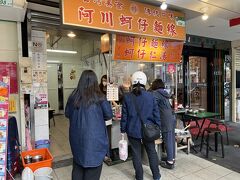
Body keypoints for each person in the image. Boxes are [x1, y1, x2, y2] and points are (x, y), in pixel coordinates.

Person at [65, 70, 113, 180]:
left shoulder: (73, 97)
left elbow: (67, 114)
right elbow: (108, 115)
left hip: (77, 140)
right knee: (92, 171)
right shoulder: (100, 97)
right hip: (95, 142)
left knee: (77, 167)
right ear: (95, 82)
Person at [121, 71, 161, 180]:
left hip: (133, 130)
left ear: (132, 82)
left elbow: (124, 116)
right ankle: (156, 175)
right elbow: (156, 114)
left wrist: (122, 129)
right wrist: (158, 127)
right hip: (149, 130)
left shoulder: (127, 97)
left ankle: (139, 177)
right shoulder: (151, 96)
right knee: (152, 152)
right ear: (144, 82)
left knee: (136, 154)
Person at [151, 79, 176, 169]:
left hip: (165, 119)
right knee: (171, 138)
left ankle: (170, 163)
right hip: (172, 118)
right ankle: (172, 157)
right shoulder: (164, 92)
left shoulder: (155, 93)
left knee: (168, 139)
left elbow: (152, 105)